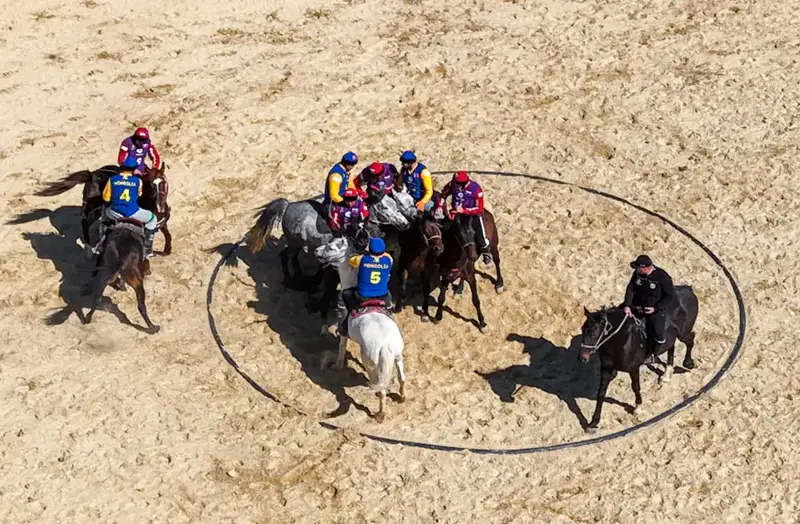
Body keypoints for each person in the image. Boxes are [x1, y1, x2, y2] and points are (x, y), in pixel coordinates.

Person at [93, 157, 158, 258]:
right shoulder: (137, 181)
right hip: (133, 212)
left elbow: (105, 198)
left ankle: (101, 244)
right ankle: (148, 248)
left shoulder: (112, 180)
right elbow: (139, 194)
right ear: (134, 169)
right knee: (153, 219)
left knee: (104, 216)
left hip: (115, 212)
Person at [623, 254, 676, 363]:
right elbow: (631, 288)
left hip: (655, 310)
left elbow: (669, 296)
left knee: (658, 333)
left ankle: (653, 354)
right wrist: (627, 305)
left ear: (645, 268)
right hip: (636, 306)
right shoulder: (637, 274)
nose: (636, 270)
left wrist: (656, 309)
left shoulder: (662, 277)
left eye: (638, 268)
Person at [339, 237, 393, 337]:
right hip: (382, 295)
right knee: (389, 297)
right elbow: (384, 256)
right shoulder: (388, 260)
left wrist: (363, 252)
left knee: (345, 295)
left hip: (363, 296)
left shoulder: (361, 259)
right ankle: (390, 312)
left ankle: (344, 327)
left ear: (370, 249)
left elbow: (351, 259)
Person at [436, 170, 492, 264]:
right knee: (442, 230)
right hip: (455, 215)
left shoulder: (476, 189)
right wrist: (439, 207)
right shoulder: (453, 184)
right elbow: (443, 195)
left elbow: (479, 208)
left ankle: (486, 253)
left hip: (471, 216)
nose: (455, 185)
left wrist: (464, 211)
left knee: (481, 238)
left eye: (457, 183)